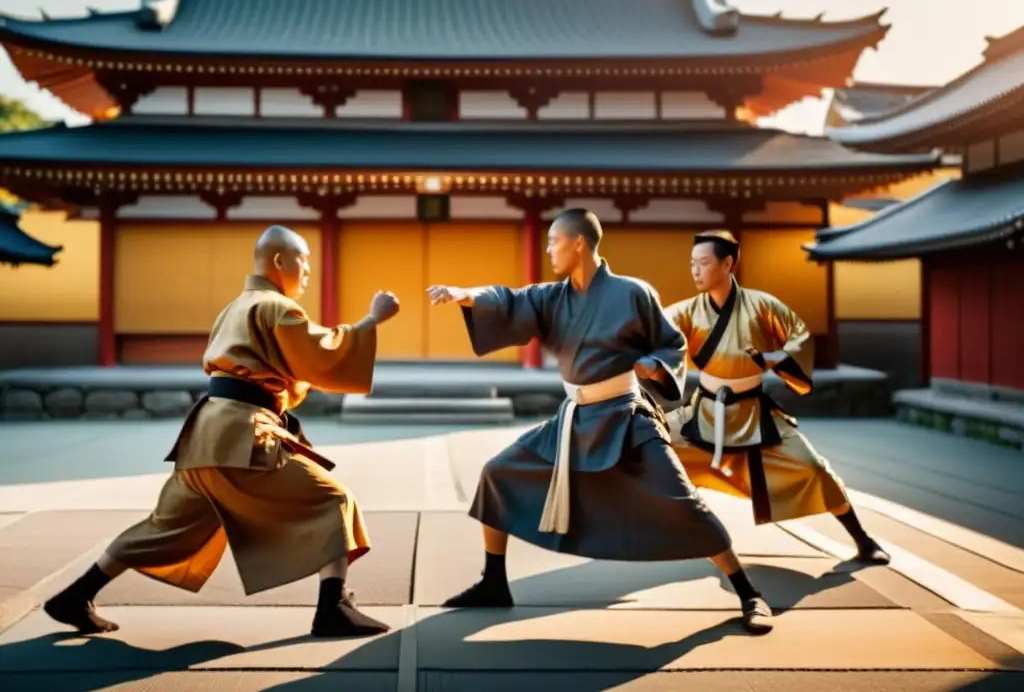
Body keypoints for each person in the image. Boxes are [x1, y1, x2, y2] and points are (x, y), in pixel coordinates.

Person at [426, 208, 774, 634]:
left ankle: (748, 592)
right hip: (573, 420)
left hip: (627, 418)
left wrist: (651, 364)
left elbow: (672, 344)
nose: (549, 249)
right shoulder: (552, 297)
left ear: (578, 243)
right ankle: (494, 581)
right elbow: (508, 299)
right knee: (498, 473)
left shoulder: (632, 293)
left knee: (684, 503)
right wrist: (462, 293)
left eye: (554, 240)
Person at [43, 225, 401, 637]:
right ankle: (333, 606)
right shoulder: (277, 308)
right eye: (303, 261)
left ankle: (76, 594)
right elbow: (320, 354)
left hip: (203, 437)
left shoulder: (233, 308)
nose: (307, 271)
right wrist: (372, 320)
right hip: (241, 437)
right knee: (333, 500)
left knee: (164, 528)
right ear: (280, 261)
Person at [662, 230, 889, 564]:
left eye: (704, 263)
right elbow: (654, 334)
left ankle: (863, 539)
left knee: (814, 468)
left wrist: (775, 359)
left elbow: (799, 338)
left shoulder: (762, 306)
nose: (695, 271)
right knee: (649, 448)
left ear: (728, 264)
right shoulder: (685, 311)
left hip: (755, 413)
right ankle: (650, 531)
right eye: (692, 264)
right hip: (705, 411)